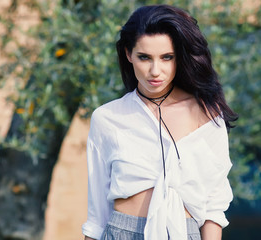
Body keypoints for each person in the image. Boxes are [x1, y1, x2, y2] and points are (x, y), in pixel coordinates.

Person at [82, 5, 237, 240]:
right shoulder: (108, 118)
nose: (156, 71)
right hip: (123, 232)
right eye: (144, 57)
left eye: (167, 58)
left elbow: (214, 204)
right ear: (128, 54)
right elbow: (96, 216)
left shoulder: (207, 114)